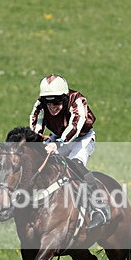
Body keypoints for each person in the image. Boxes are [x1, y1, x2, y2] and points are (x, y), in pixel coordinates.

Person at [29, 74, 110, 228]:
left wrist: (58, 144)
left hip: (82, 138)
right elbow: (36, 124)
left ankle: (98, 208)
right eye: (48, 102)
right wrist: (37, 141)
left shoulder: (77, 100)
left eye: (57, 101)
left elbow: (75, 126)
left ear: (65, 98)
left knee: (75, 163)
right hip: (58, 137)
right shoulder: (40, 104)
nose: (52, 106)